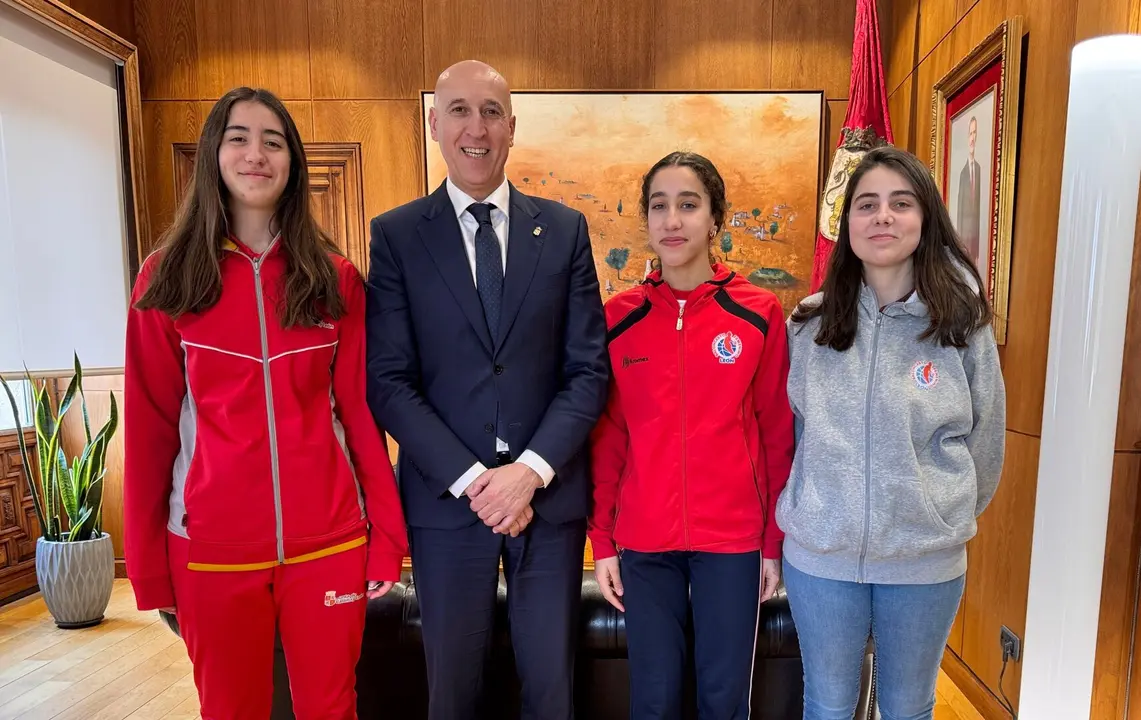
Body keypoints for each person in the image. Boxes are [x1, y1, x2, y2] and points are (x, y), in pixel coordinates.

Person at [124, 87, 407, 720]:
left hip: (329, 543)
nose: (257, 154)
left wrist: (386, 537)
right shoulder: (166, 278)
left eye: (273, 142)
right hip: (209, 548)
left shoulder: (333, 281)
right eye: (240, 138)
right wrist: (148, 567)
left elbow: (361, 417)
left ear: (293, 162)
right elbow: (148, 431)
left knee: (332, 709)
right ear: (213, 156)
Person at [365, 60, 609, 720]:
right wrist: (479, 481)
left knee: (552, 692)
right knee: (453, 694)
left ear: (511, 127)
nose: (477, 128)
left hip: (546, 503)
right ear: (434, 123)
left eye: (492, 112)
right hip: (448, 507)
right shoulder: (395, 236)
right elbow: (388, 382)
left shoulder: (562, 231)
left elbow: (588, 370)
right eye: (461, 111)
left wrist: (525, 475)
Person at [777, 145, 1006, 720]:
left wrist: (937, 514)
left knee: (908, 707)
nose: (882, 217)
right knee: (827, 704)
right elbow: (792, 435)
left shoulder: (962, 324)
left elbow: (987, 438)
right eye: (867, 204)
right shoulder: (807, 324)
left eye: (900, 204)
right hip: (820, 557)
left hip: (924, 559)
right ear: (846, 222)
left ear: (925, 219)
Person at [589, 151, 795, 719]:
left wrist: (771, 542)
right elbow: (608, 438)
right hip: (645, 541)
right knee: (652, 701)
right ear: (646, 221)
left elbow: (776, 430)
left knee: (723, 700)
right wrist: (603, 541)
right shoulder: (618, 319)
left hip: (732, 543)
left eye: (688, 204)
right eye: (659, 207)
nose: (672, 220)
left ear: (715, 219)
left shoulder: (757, 314)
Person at [956, 116, 982, 263]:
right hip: (964, 241)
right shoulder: (962, 174)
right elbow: (960, 213)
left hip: (975, 242)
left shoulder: (978, 169)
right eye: (970, 133)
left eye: (975, 133)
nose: (972, 138)